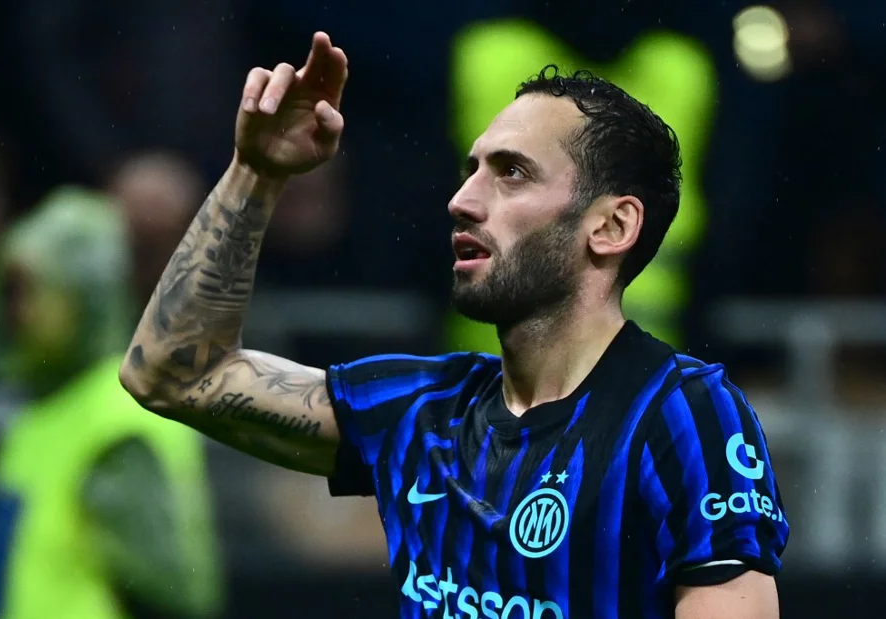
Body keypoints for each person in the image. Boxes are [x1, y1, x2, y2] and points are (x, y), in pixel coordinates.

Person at [119, 32, 789, 619]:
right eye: (471, 171)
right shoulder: (423, 413)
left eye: (512, 174)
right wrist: (256, 172)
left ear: (612, 226)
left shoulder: (683, 417)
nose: (462, 200)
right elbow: (173, 373)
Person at [0, 188, 223, 619]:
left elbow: (170, 597)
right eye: (11, 292)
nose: (15, 311)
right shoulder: (40, 413)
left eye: (32, 291)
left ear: (84, 297)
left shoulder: (123, 415)